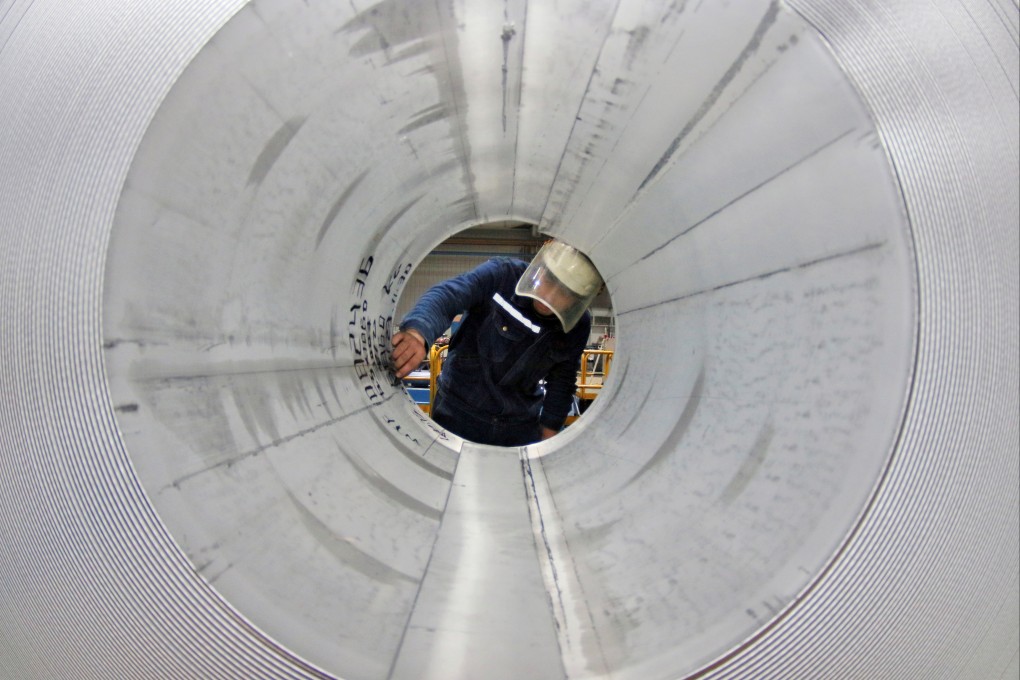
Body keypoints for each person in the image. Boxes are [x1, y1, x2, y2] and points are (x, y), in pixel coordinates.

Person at [391, 240, 602, 446]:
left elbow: (561, 383)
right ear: (542, 268)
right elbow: (448, 296)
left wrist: (548, 437)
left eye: (564, 292)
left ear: (577, 299)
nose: (550, 295)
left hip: (518, 428)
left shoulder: (577, 325)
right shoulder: (502, 276)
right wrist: (418, 332)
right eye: (549, 280)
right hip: (458, 415)